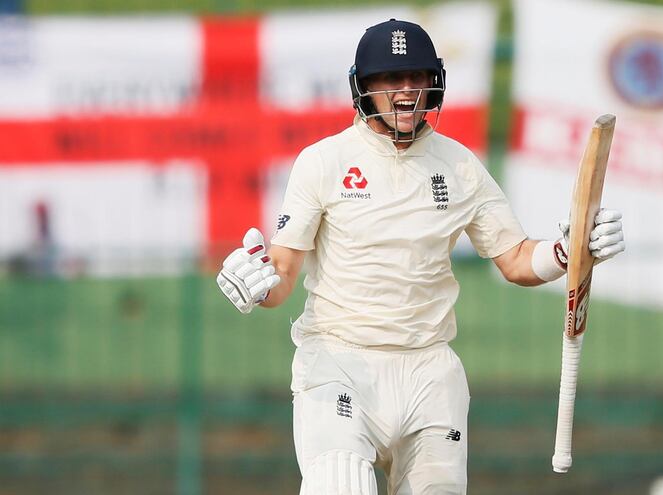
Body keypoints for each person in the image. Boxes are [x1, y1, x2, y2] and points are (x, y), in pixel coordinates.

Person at [216, 19, 625, 495]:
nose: (406, 91)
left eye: (417, 77)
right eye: (391, 80)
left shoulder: (458, 165)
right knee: (340, 487)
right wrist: (259, 286)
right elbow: (283, 273)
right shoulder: (323, 162)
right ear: (363, 86)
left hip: (429, 371)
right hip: (340, 362)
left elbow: (515, 258)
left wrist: (567, 252)